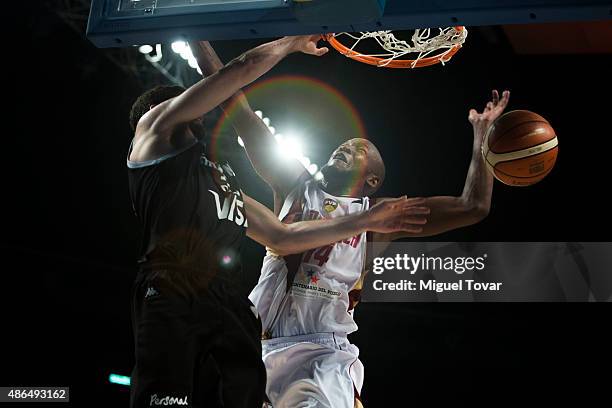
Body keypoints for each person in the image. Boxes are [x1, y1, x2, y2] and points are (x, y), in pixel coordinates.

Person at [192, 40, 509, 408]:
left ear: (371, 180)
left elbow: (472, 206)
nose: (344, 148)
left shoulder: (383, 216)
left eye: (359, 150)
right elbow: (237, 106)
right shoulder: (294, 185)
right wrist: (198, 38)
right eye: (342, 144)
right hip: (253, 345)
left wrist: (482, 141)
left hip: (320, 355)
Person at [127, 35, 430, 408]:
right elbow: (238, 78)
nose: (202, 109)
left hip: (227, 297)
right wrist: (289, 43)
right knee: (166, 399)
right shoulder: (155, 129)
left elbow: (281, 235)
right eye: (191, 102)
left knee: (250, 394)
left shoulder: (218, 177)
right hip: (172, 281)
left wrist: (366, 220)